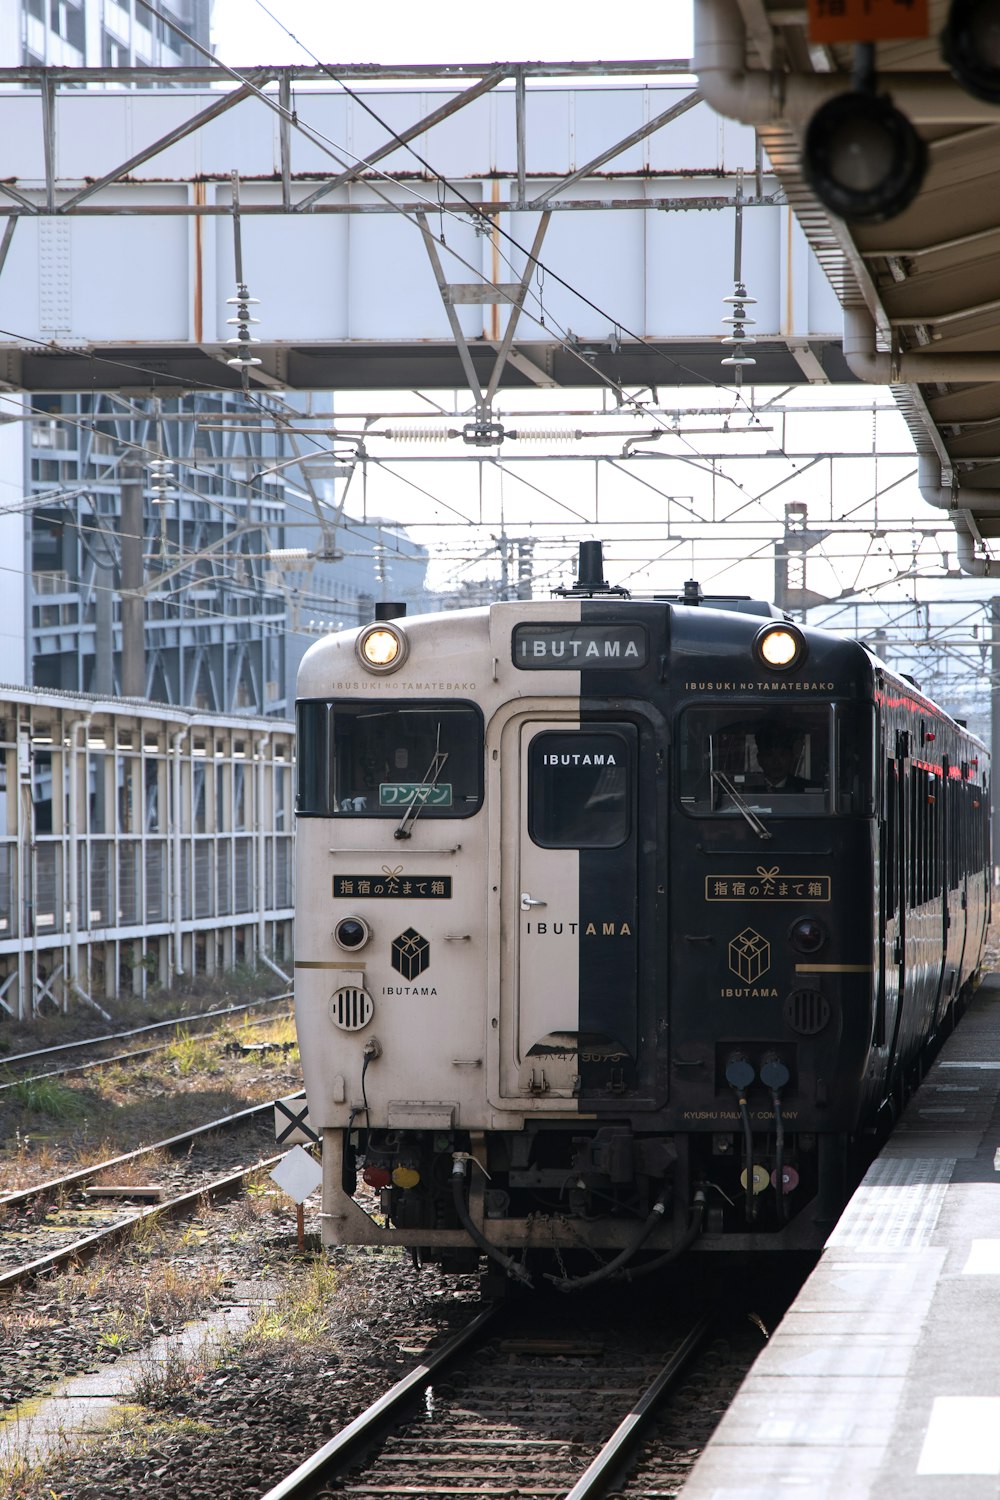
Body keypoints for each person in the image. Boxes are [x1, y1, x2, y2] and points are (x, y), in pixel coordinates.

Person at [754, 723, 807, 792]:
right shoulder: (749, 789)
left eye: (782, 755)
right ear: (759, 759)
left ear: (791, 757)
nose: (776, 762)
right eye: (769, 755)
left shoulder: (805, 789)